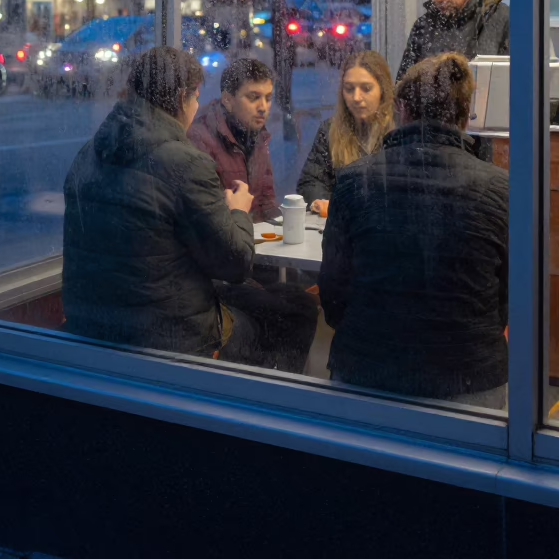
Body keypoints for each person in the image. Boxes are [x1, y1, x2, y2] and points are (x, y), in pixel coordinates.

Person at [63, 47, 316, 372]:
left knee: (278, 301)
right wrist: (237, 211)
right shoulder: (185, 161)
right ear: (183, 97)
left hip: (92, 322)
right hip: (167, 337)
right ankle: (260, 409)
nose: (197, 106)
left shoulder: (89, 153)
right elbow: (235, 264)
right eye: (196, 97)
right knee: (295, 312)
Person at [319, 52, 508, 406]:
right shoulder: (501, 189)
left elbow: (333, 291)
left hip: (366, 368)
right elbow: (508, 297)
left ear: (401, 109)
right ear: (465, 115)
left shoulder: (352, 181)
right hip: (471, 376)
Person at [297, 51, 394, 215]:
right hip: (342, 226)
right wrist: (321, 202)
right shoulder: (329, 130)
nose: (356, 97)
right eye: (349, 89)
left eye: (366, 88)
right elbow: (310, 182)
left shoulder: (399, 131)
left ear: (382, 90)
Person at [188, 57, 279, 222]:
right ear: (228, 100)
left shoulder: (256, 134)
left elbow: (267, 201)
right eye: (253, 97)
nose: (263, 107)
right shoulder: (200, 138)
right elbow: (208, 217)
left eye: (268, 98)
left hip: (251, 238)